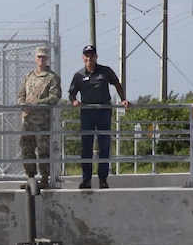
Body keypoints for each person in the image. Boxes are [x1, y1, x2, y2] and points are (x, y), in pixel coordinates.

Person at [68, 45, 130, 189]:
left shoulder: (105, 71)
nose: (89, 58)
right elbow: (71, 93)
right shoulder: (79, 75)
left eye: (92, 56)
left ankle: (103, 179)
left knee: (104, 145)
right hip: (87, 112)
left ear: (96, 57)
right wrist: (74, 101)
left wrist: (123, 99)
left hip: (103, 111)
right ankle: (86, 179)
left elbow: (117, 84)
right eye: (87, 56)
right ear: (83, 58)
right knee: (86, 147)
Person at [17, 47, 62, 189]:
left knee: (43, 150)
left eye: (43, 57)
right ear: (35, 58)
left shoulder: (52, 78)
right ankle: (31, 178)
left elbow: (54, 97)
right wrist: (23, 105)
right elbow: (21, 95)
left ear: (47, 58)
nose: (41, 59)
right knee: (27, 149)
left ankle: (44, 178)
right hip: (28, 120)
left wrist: (37, 103)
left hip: (42, 121)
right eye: (38, 57)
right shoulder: (29, 76)